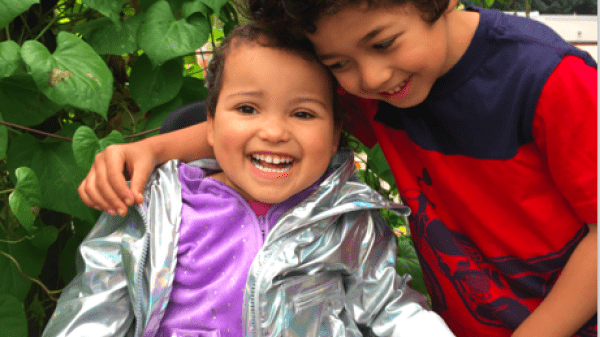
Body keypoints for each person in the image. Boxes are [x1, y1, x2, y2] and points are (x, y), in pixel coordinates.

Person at [78, 1, 598, 336]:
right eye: (337, 64)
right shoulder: (381, 81)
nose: (367, 76)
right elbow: (272, 120)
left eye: (384, 42)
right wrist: (155, 150)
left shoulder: (550, 79)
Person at [46, 23, 455, 336]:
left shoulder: (348, 219)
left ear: (335, 138)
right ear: (209, 124)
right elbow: (94, 306)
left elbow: (391, 310)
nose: (274, 132)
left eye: (303, 113)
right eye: (247, 108)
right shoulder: (154, 206)